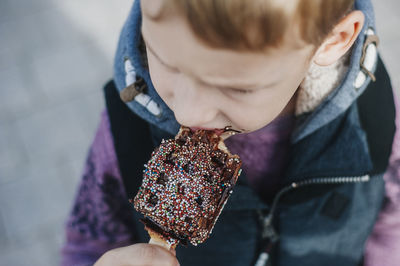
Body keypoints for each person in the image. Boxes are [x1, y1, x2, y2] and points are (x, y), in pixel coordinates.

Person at [61, 0, 400, 265]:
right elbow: (88, 238)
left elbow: (393, 226)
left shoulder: (374, 124)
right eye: (166, 61)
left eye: (237, 89)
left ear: (332, 41)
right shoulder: (125, 131)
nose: (188, 113)